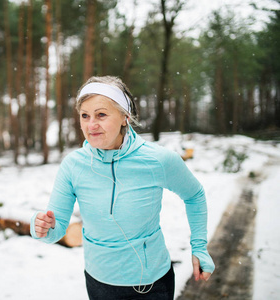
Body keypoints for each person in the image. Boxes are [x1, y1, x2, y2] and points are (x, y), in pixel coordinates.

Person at [30, 76, 214, 299]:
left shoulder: (158, 160)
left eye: (101, 115)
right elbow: (55, 229)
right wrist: (42, 227)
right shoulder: (73, 165)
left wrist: (199, 247)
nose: (91, 125)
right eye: (85, 116)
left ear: (125, 117)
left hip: (150, 285)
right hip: (98, 284)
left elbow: (194, 195)